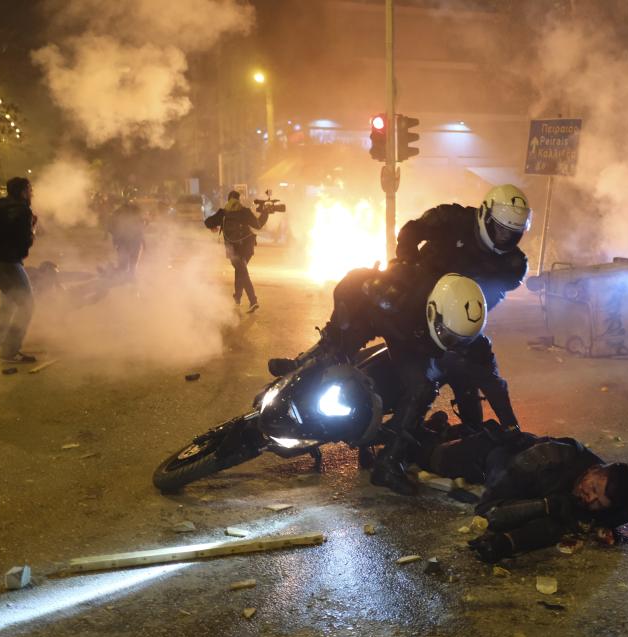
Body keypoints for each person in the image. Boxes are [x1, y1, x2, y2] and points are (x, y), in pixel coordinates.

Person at [269, 263, 488, 495]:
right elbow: (360, 327)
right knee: (334, 353)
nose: (453, 344)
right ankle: (299, 366)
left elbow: (486, 381)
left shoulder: (458, 330)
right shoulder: (398, 302)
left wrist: (481, 430)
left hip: (396, 334)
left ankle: (387, 460)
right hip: (365, 318)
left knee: (420, 387)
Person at [395, 184, 531, 427]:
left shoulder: (512, 265)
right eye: (499, 229)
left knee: (479, 371)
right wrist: (409, 263)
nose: (504, 236)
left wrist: (461, 324)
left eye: (511, 232)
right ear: (486, 215)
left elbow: (485, 303)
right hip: (413, 305)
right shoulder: (452, 218)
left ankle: (498, 432)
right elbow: (410, 231)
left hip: (452, 319)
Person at [466, 437, 628, 562]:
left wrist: (508, 542)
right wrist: (545, 506)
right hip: (488, 456)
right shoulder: (546, 459)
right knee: (443, 456)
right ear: (592, 470)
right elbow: (485, 512)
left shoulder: (614, 498)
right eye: (592, 488)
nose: (590, 499)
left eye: (598, 503)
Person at [0, 177, 38, 363]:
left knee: (10, 296)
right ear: (22, 192)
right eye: (30, 189)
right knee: (27, 304)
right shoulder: (22, 211)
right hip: (7, 263)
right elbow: (25, 242)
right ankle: (9, 351)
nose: (32, 193)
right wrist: (33, 227)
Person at [204, 190, 269, 313]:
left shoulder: (223, 213)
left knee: (242, 272)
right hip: (247, 248)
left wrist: (213, 226)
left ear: (228, 200)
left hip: (233, 249)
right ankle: (237, 297)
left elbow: (207, 222)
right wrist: (266, 212)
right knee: (241, 270)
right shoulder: (245, 211)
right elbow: (259, 225)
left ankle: (253, 301)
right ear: (239, 200)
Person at [107, 187, 146, 278]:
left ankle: (127, 274)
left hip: (131, 238)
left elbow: (141, 223)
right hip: (125, 238)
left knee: (130, 260)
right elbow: (111, 224)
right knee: (126, 260)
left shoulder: (132, 209)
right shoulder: (123, 210)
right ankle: (123, 273)